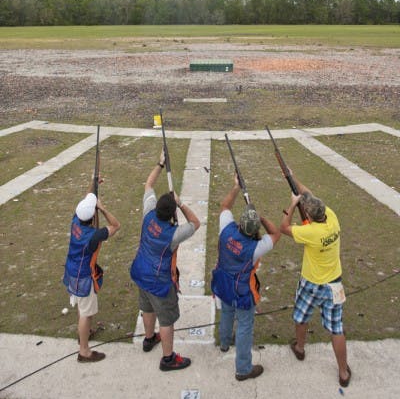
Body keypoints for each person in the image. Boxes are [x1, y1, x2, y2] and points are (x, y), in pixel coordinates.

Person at [130, 150, 200, 371]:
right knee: (167, 320)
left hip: (140, 271)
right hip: (159, 281)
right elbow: (195, 223)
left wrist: (160, 164)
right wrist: (180, 204)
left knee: (147, 307)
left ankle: (149, 338)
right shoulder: (173, 234)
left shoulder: (148, 212)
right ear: (170, 213)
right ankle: (168, 358)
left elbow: (148, 185)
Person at [280, 173, 351, 388]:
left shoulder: (310, 232)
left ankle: (300, 348)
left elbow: (284, 228)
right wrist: (291, 177)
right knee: (336, 329)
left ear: (309, 216)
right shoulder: (332, 217)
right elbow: (309, 194)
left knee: (301, 316)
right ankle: (343, 372)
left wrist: (292, 205)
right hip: (334, 283)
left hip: (310, 283)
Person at [211, 175, 281, 381]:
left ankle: (224, 343)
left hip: (222, 283)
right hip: (242, 291)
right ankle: (243, 368)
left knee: (226, 312)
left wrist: (235, 187)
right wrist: (262, 219)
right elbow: (275, 234)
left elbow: (225, 206)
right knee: (244, 326)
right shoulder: (256, 247)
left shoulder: (226, 228)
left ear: (240, 224)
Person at [63, 176, 120, 362]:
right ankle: (84, 351)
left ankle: (84, 334)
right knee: (86, 313)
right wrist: (102, 208)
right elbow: (116, 225)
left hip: (72, 271)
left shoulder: (75, 221)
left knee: (81, 307)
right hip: (84, 277)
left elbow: (87, 198)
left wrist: (93, 183)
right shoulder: (94, 235)